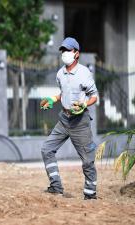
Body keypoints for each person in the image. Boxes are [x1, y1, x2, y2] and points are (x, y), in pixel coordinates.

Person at [40, 37, 98, 200]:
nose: (64, 54)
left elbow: (94, 96)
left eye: (68, 50)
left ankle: (90, 193)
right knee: (47, 149)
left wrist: (84, 104)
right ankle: (56, 186)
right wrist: (53, 99)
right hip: (64, 120)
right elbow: (63, 93)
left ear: (76, 53)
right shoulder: (60, 73)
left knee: (87, 160)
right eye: (63, 51)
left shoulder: (84, 73)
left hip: (80, 122)